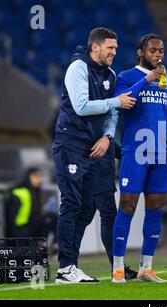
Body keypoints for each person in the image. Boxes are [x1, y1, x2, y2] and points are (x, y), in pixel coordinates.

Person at [52, 27, 137, 284]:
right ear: (95, 47)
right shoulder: (78, 68)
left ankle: (71, 267)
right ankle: (65, 267)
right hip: (71, 145)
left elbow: (112, 114)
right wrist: (115, 102)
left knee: (87, 208)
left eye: (115, 48)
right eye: (110, 48)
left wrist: (107, 137)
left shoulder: (109, 74)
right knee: (72, 204)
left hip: (94, 146)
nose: (114, 52)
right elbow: (81, 106)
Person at [111, 33, 167, 283]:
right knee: (128, 207)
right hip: (135, 152)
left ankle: (146, 267)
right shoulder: (125, 76)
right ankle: (118, 268)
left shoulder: (166, 80)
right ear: (140, 52)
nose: (158, 55)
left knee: (155, 209)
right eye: (153, 51)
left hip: (160, 155)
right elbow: (125, 103)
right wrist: (147, 79)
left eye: (161, 51)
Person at [5, 168, 56, 246]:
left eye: (39, 177)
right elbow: (11, 216)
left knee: (50, 219)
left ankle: (47, 245)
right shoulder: (22, 193)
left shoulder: (34, 192)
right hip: (20, 230)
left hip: (28, 227)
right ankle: (44, 245)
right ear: (28, 177)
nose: (38, 180)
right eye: (35, 176)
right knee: (50, 218)